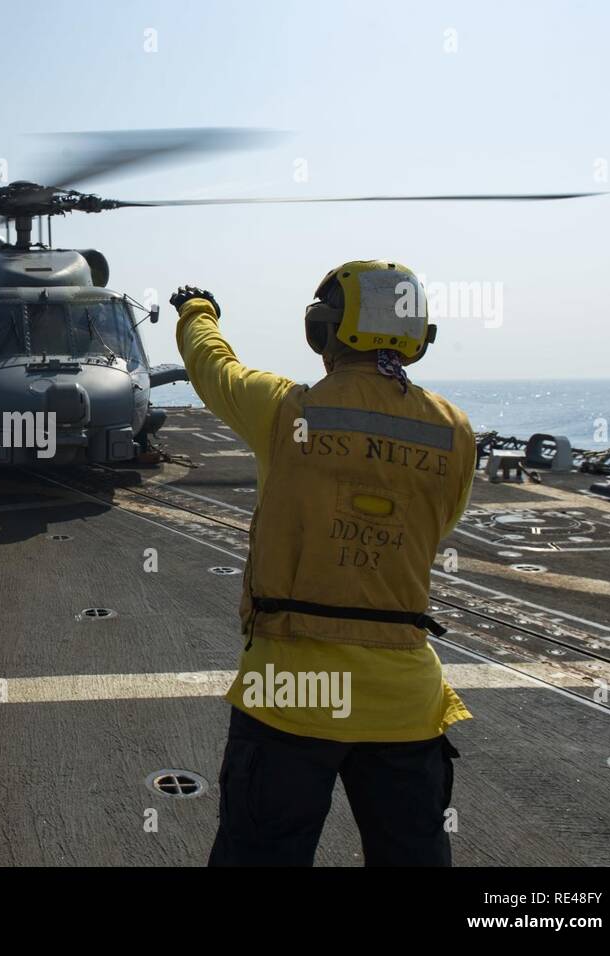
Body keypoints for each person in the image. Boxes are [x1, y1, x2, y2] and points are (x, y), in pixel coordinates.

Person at [171, 261, 476, 866]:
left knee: (260, 856)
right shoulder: (453, 431)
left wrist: (195, 310)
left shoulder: (286, 410)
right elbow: (437, 526)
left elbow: (214, 368)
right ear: (419, 336)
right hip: (406, 700)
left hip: (290, 689)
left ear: (323, 331)